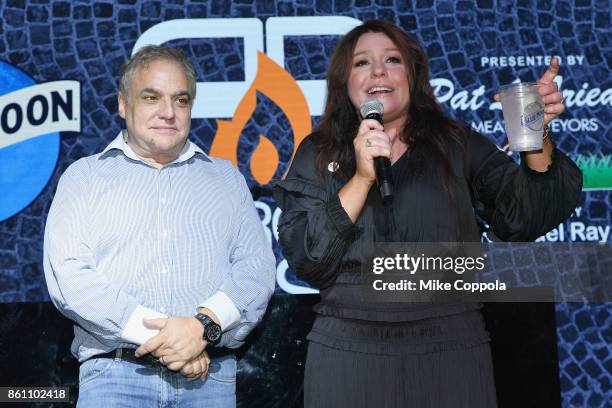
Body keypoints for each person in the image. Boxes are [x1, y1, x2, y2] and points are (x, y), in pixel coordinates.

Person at [274, 20, 582, 408]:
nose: (378, 71)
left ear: (412, 75)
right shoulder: (317, 152)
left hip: (450, 352)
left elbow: (527, 215)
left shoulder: (456, 143)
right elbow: (307, 259)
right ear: (344, 83)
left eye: (392, 59)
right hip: (348, 354)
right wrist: (362, 178)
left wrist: (534, 133)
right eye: (361, 63)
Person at [43, 45, 276, 407]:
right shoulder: (84, 178)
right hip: (115, 380)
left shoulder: (226, 180)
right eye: (151, 97)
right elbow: (69, 277)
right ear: (123, 104)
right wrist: (174, 339)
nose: (168, 112)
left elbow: (257, 272)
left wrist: (201, 327)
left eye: (180, 100)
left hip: (208, 382)